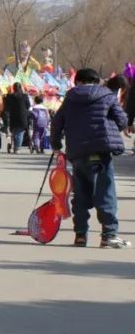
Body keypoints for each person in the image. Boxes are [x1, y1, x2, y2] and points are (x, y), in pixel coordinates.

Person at [51, 68, 130, 248]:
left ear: (77, 81)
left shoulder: (70, 98)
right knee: (106, 192)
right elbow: (122, 120)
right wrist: (110, 129)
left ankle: (80, 235)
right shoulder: (107, 95)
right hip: (101, 151)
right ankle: (109, 234)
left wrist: (56, 145)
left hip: (78, 152)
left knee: (80, 193)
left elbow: (57, 123)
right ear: (96, 81)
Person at [3, 82, 30, 154]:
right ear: (21, 88)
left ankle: (15, 146)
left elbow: (6, 106)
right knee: (20, 133)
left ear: (13, 88)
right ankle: (17, 148)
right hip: (22, 116)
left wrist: (7, 94)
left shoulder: (10, 96)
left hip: (13, 116)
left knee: (14, 132)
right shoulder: (25, 96)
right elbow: (28, 105)